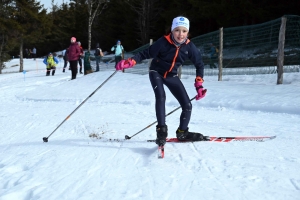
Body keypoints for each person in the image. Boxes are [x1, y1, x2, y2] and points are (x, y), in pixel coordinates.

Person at [115, 16, 208, 146]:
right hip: (156, 72)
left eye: (184, 31)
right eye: (177, 30)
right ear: (172, 30)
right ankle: (161, 133)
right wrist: (131, 61)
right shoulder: (163, 42)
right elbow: (145, 53)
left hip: (171, 75)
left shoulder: (189, 47)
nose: (180, 34)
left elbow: (199, 65)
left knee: (187, 105)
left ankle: (182, 132)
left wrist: (199, 85)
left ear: (188, 32)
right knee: (161, 96)